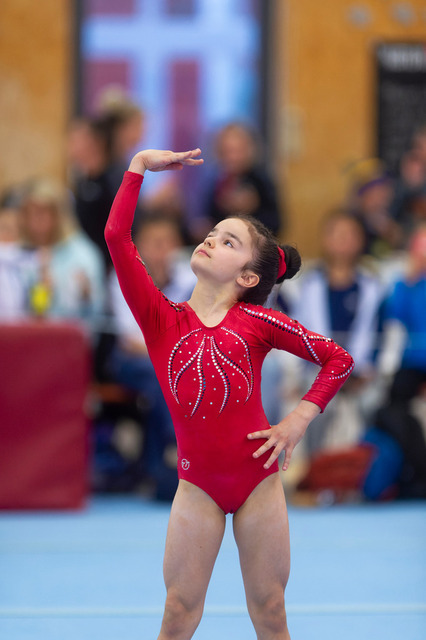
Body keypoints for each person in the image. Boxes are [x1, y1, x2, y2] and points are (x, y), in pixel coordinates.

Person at [105, 148, 354, 640]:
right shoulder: (160, 319)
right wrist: (138, 167)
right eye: (212, 234)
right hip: (196, 487)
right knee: (178, 613)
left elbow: (338, 358)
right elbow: (117, 237)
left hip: (257, 482)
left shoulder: (259, 321)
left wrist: (297, 421)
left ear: (247, 277)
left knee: (270, 612)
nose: (210, 240)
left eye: (228, 241)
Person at [284, 210, 384, 454]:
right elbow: (295, 334)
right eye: (337, 234)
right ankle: (315, 464)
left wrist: (364, 373)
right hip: (316, 371)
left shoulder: (373, 288)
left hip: (360, 374)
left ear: (361, 241)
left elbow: (379, 335)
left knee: (372, 403)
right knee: (312, 405)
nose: (343, 240)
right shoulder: (308, 286)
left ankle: (362, 467)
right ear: (325, 239)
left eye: (350, 234)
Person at [109, 214, 196, 492]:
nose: (162, 249)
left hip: (176, 361)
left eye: (168, 242)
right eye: (154, 242)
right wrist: (171, 349)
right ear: (139, 246)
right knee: (161, 375)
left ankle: (167, 469)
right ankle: (179, 444)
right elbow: (130, 339)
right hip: (134, 360)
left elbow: (194, 332)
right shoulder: (123, 273)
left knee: (174, 375)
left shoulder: (192, 278)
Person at [373, 224, 426, 498]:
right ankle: (415, 470)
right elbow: (394, 319)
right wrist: (410, 281)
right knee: (391, 410)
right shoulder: (404, 284)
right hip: (411, 362)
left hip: (414, 361)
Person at [204, 122, 283, 237]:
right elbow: (209, 217)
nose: (233, 157)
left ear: (250, 150)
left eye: (238, 151)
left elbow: (276, 224)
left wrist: (251, 209)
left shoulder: (261, 180)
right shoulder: (216, 181)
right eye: (227, 152)